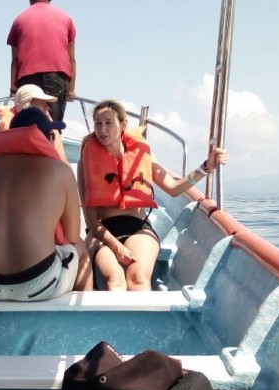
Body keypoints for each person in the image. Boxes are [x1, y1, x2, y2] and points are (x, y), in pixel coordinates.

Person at [79, 99, 228, 291]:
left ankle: (139, 321)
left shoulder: (141, 154)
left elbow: (174, 188)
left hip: (138, 229)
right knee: (114, 280)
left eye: (108, 122)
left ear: (123, 124)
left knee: (138, 278)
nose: (102, 129)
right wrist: (117, 247)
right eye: (98, 123)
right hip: (101, 232)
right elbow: (91, 221)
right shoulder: (87, 160)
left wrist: (206, 167)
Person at [0, 107, 89, 301]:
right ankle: (85, 325)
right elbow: (72, 235)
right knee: (80, 248)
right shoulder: (60, 171)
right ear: (50, 137)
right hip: (37, 283)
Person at [8, 0, 76, 121]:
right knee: (51, 127)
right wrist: (71, 89)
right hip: (56, 79)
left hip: (27, 80)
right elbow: (71, 58)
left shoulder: (18, 20)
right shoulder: (66, 18)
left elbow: (15, 60)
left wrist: (14, 90)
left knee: (28, 125)